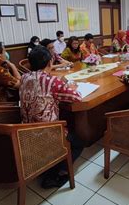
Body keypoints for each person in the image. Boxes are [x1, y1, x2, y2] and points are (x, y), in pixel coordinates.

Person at [19, 46, 84, 188]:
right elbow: (77, 97)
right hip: (47, 133)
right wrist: (70, 87)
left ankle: (47, 165)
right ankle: (57, 174)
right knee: (79, 142)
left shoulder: (24, 78)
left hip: (23, 132)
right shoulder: (51, 81)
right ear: (49, 63)